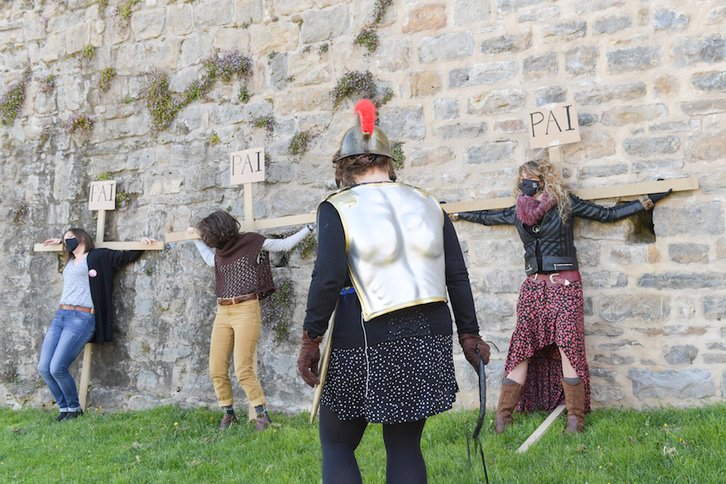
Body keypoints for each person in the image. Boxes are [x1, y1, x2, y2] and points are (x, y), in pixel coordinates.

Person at [297, 99, 490, 483]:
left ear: (344, 167)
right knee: (404, 446)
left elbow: (327, 277)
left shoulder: (336, 206)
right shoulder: (428, 202)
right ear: (388, 161)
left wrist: (310, 338)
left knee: (337, 444)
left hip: (365, 335)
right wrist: (469, 332)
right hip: (428, 335)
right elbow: (457, 275)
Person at [452, 159, 672, 433]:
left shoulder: (565, 203)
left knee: (569, 346)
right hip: (532, 289)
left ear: (542, 179)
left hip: (565, 286)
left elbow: (608, 215)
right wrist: (458, 214)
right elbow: (487, 217)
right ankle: (502, 418)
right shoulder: (519, 210)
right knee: (520, 349)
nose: (523, 181)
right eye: (521, 176)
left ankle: (575, 420)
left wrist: (648, 201)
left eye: (528, 176)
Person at [190, 211, 314, 431]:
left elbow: (283, 246)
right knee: (216, 368)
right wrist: (197, 240)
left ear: (220, 229)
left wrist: (310, 227)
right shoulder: (220, 251)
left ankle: (262, 417)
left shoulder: (252, 242)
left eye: (208, 234)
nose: (208, 239)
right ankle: (228, 416)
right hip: (223, 311)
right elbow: (211, 261)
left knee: (243, 369)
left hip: (246, 309)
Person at [38, 229, 157, 421]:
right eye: (65, 239)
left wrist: (141, 243)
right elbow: (63, 246)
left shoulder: (97, 256)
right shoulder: (69, 259)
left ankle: (74, 409)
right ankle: (64, 408)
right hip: (60, 315)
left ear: (82, 238)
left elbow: (124, 257)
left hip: (81, 317)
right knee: (44, 367)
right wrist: (59, 241)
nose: (67, 242)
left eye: (70, 238)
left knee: (58, 367)